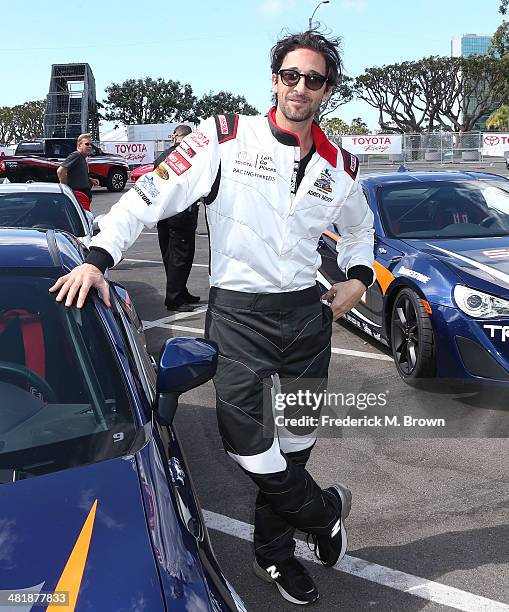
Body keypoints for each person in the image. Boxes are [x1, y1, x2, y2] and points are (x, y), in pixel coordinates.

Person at [50, 30, 375, 606]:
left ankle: (274, 556)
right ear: (274, 79)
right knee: (248, 446)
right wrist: (100, 257)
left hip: (307, 316)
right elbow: (150, 193)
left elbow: (360, 229)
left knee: (297, 443)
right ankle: (323, 513)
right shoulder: (224, 138)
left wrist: (358, 277)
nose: (300, 88)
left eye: (314, 79)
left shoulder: (342, 164)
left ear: (328, 89)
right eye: (290, 75)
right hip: (239, 316)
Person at [155, 125, 200, 311]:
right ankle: (175, 298)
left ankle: (180, 291)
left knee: (170, 256)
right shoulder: (190, 156)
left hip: (163, 213)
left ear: (175, 137)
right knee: (181, 256)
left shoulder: (162, 156)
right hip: (180, 214)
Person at [57, 133, 99, 211]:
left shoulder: (82, 157)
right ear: (79, 145)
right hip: (79, 196)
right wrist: (65, 189)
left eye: (90, 144)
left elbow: (76, 173)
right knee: (85, 220)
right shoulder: (76, 155)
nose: (90, 146)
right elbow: (60, 171)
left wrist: (90, 179)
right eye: (87, 144)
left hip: (84, 195)